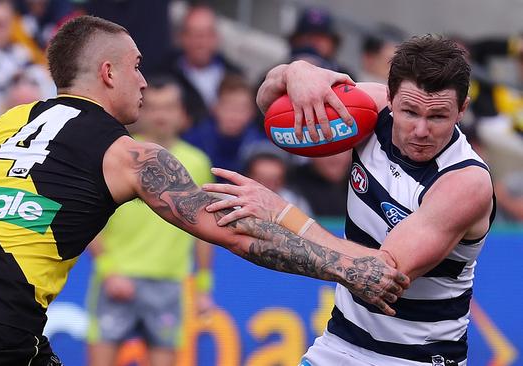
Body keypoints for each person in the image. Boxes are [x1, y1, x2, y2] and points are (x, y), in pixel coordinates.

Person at [0, 16, 408, 366]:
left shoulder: (0, 125)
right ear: (108, 71)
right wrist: (344, 266)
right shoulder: (130, 155)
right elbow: (232, 233)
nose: (143, 82)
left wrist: (1, 194)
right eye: (136, 66)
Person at [203, 35, 494, 365]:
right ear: (390, 96)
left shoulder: (465, 181)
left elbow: (381, 273)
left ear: (463, 109)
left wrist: (280, 212)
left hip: (417, 358)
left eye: (438, 116)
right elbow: (270, 105)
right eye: (410, 112)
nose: (421, 131)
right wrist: (294, 72)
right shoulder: (369, 108)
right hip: (340, 344)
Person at [87, 75, 214, 366]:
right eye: (154, 107)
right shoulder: (117, 156)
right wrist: (108, 271)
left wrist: (204, 288)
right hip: (118, 277)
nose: (161, 115)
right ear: (142, 111)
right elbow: (89, 220)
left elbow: (204, 231)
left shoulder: (197, 163)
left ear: (182, 114)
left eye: (169, 107)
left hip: (168, 284)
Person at [159, 4, 242, 124]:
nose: (201, 42)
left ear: (216, 37)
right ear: (182, 37)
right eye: (195, 34)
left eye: (207, 34)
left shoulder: (235, 75)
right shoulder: (164, 75)